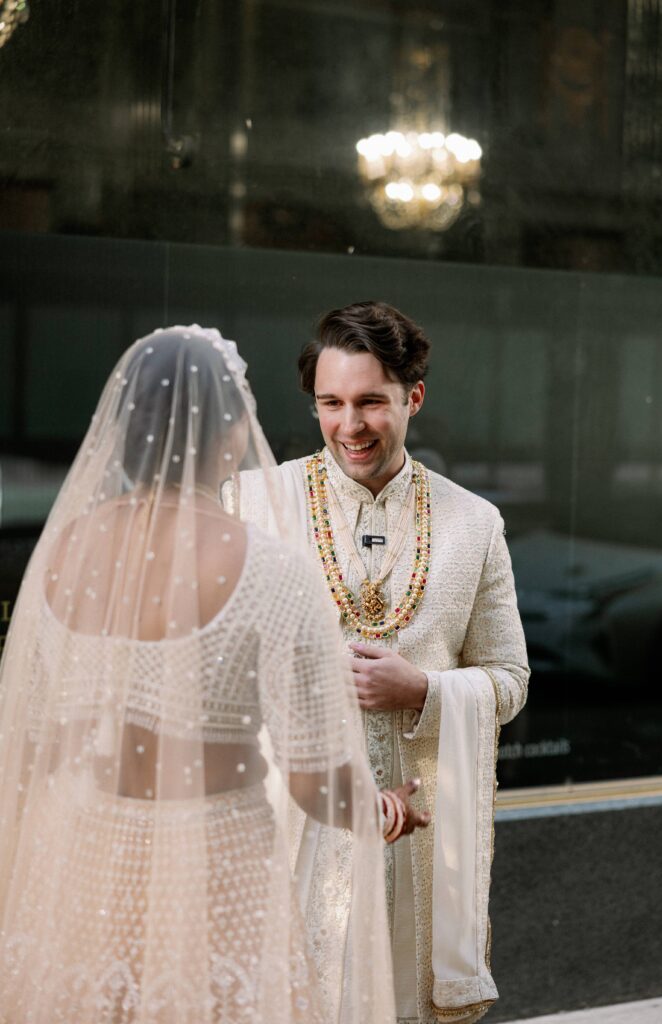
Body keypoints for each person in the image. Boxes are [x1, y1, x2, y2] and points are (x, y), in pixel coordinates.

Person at [0, 324, 427, 1023]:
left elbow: (33, 741)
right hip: (213, 876)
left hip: (73, 867)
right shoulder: (271, 569)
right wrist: (387, 808)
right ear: (229, 429)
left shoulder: (61, 555)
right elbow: (317, 782)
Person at [223, 302, 530, 1024]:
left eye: (370, 402)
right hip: (291, 821)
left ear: (412, 398)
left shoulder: (472, 522)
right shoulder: (251, 504)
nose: (348, 425)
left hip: (418, 837)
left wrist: (421, 689)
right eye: (329, 403)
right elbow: (215, 676)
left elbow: (509, 679)